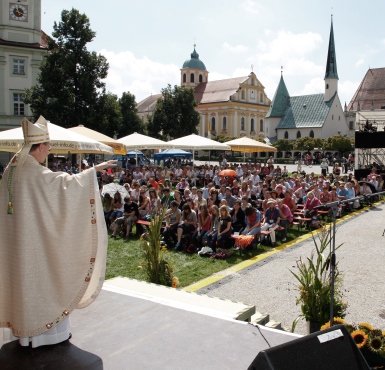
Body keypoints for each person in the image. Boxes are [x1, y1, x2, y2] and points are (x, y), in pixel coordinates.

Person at [0, 117, 117, 348]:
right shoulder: (34, 172)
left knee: (21, 282)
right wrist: (94, 171)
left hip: (15, 244)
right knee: (43, 280)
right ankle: (43, 336)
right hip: (35, 245)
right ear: (41, 146)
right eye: (49, 147)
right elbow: (65, 187)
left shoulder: (12, 169)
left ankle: (22, 334)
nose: (50, 151)